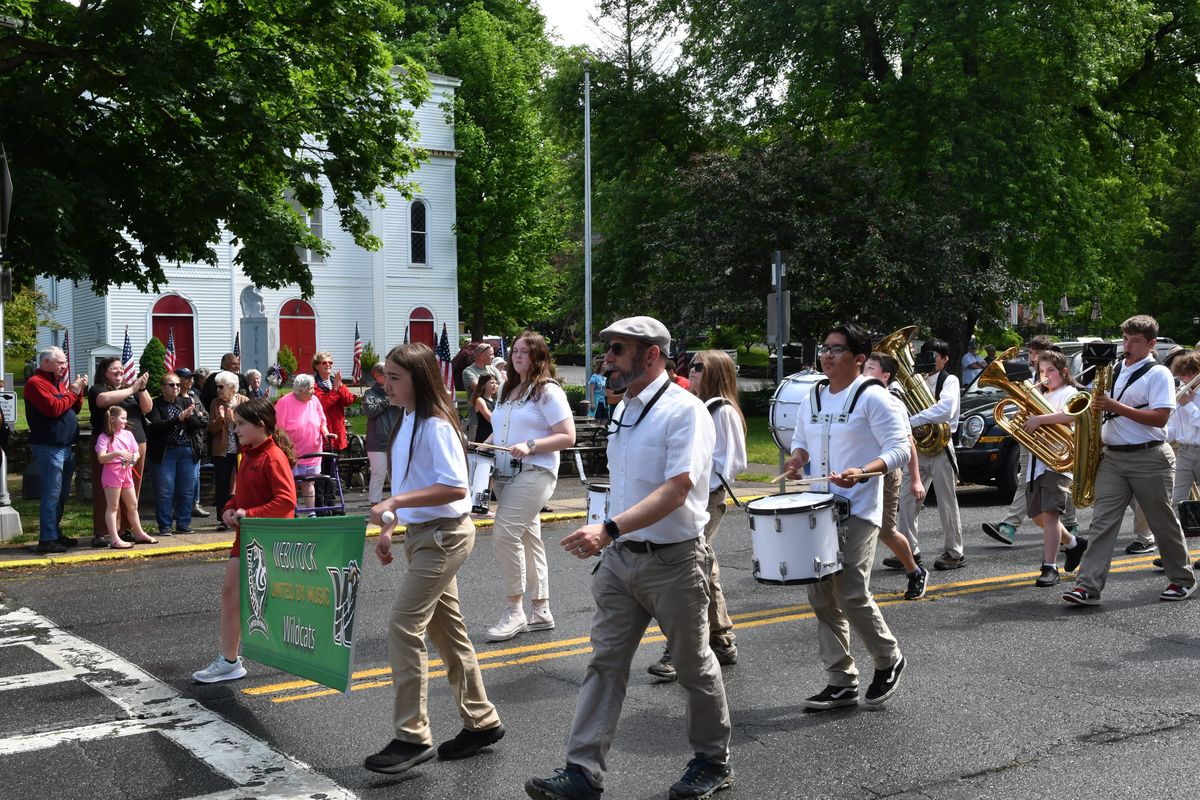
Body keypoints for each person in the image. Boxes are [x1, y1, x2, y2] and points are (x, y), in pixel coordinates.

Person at [526, 316, 731, 800]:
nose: (607, 360)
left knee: (692, 665)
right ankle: (582, 771)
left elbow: (677, 489)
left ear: (651, 355)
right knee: (605, 663)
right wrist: (609, 532)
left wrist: (610, 527)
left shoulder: (686, 412)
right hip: (621, 560)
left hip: (675, 561)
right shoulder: (624, 410)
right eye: (609, 350)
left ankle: (712, 760)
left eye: (617, 350)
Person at [364, 342, 504, 774]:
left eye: (394, 378)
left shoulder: (436, 425)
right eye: (386, 376)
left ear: (418, 379)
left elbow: (455, 487)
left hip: (444, 536)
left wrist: (397, 501)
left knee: (404, 625)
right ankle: (481, 720)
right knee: (448, 635)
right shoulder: (407, 420)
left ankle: (412, 735)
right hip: (424, 535)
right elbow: (410, 483)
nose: (385, 385)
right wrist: (390, 526)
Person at [783, 323, 911, 712]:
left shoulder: (875, 398)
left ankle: (888, 658)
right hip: (818, 507)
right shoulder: (814, 396)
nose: (826, 355)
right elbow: (802, 440)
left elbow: (900, 450)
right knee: (821, 595)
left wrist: (864, 470)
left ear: (859, 359)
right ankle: (840, 680)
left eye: (836, 349)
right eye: (825, 348)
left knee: (851, 591)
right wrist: (797, 458)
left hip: (858, 508)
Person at [1064, 315, 1197, 605]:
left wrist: (1115, 407)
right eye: (1125, 339)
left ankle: (1182, 579)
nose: (1127, 346)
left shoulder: (1158, 373)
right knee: (1101, 523)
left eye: (1134, 341)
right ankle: (1087, 586)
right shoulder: (1113, 368)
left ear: (1151, 344)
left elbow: (1161, 416)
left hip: (1149, 456)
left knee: (1162, 522)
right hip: (1113, 457)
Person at [648, 349, 746, 682]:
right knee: (705, 568)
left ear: (716, 372)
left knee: (688, 569)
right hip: (689, 497)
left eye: (699, 367)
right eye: (691, 365)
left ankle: (680, 650)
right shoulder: (695, 406)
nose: (692, 370)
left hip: (705, 499)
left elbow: (734, 462)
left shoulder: (722, 410)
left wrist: (698, 484)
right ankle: (721, 639)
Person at [192, 398, 297, 683]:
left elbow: (287, 500)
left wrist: (247, 512)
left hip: (268, 537)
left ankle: (240, 657)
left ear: (260, 426)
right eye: (235, 424)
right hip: (249, 535)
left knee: (266, 599)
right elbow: (244, 494)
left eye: (240, 425)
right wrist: (230, 506)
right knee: (231, 593)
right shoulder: (250, 454)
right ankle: (229, 660)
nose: (235, 430)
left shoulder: (273, 457)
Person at [481, 331, 575, 643]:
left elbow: (567, 436)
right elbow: (502, 432)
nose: (518, 356)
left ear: (538, 357)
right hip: (505, 472)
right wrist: (484, 447)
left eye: (525, 352)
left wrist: (532, 444)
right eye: (516, 351)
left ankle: (514, 610)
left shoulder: (546, 391)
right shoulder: (510, 390)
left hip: (536, 470)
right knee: (528, 537)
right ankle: (541, 609)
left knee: (504, 532)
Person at [982, 337, 1082, 545]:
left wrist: (1039, 418)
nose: (1032, 358)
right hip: (1035, 443)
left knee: (1057, 494)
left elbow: (1068, 414)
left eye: (1035, 353)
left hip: (1055, 448)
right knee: (1033, 497)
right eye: (1031, 353)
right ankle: (1070, 537)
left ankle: (1013, 528)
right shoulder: (1034, 380)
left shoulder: (1065, 389)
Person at [863, 352, 930, 600]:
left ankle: (914, 571)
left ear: (885, 376)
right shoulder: (857, 398)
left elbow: (908, 443)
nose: (864, 372)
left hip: (887, 474)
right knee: (859, 529)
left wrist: (915, 479)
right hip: (861, 475)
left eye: (870, 368)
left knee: (886, 530)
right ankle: (858, 588)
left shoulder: (892, 402)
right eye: (864, 367)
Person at [896, 338, 966, 570]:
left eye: (933, 355)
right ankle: (908, 551)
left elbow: (946, 409)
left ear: (944, 360)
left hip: (941, 447)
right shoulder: (914, 380)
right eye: (924, 354)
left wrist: (913, 419)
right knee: (906, 500)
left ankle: (955, 552)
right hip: (918, 447)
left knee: (946, 502)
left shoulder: (950, 380)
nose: (928, 359)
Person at [1020, 351, 1088, 586]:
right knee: (1036, 515)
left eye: (1050, 370)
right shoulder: (1038, 393)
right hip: (1037, 463)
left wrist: (1039, 420)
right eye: (1041, 371)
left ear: (1064, 372)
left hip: (1058, 461)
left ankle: (1050, 567)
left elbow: (1071, 414)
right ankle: (1073, 544)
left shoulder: (1069, 392)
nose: (1045, 375)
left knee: (1050, 515)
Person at [24, 347, 86, 553]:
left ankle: (55, 533)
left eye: (64, 362)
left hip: (66, 447)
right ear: (46, 363)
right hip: (49, 447)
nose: (64, 366)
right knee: (51, 494)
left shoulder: (58, 384)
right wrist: (73, 392)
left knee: (62, 495)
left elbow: (73, 408)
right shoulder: (35, 384)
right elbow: (54, 409)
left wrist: (77, 392)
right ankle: (47, 539)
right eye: (60, 362)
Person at [88, 358, 152, 548]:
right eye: (113, 368)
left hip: (135, 443)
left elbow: (147, 408)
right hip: (111, 447)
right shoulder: (98, 389)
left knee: (131, 490)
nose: (119, 371)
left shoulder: (130, 389)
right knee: (105, 491)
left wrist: (140, 389)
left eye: (121, 368)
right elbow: (103, 401)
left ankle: (126, 529)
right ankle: (102, 531)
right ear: (104, 371)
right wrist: (132, 389)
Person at [145, 372, 208, 535]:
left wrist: (189, 417)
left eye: (178, 385)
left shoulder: (185, 401)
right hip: (165, 453)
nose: (175, 388)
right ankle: (165, 526)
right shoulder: (155, 404)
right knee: (165, 490)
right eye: (171, 385)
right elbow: (154, 427)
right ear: (162, 387)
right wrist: (178, 419)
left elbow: (199, 424)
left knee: (187, 490)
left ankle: (183, 524)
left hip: (187, 450)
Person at [95, 407, 157, 548]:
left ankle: (140, 533)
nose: (125, 421)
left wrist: (132, 460)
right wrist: (118, 453)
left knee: (133, 505)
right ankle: (114, 538)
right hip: (112, 473)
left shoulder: (128, 434)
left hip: (126, 471)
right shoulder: (104, 437)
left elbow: (136, 452)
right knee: (113, 506)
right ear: (112, 419)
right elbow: (101, 458)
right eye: (122, 418)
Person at [274, 373, 331, 514]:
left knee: (309, 482)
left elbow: (322, 422)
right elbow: (277, 428)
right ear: (300, 390)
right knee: (291, 483)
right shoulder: (284, 402)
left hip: (313, 452)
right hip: (293, 454)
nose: (314, 391)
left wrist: (326, 433)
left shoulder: (315, 401)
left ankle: (311, 512)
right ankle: (291, 512)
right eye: (311, 389)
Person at [312, 351, 357, 512]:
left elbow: (349, 400)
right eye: (324, 363)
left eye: (330, 362)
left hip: (336, 434)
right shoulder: (314, 385)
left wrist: (340, 387)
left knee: (333, 473)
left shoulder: (334, 383)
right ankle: (320, 506)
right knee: (321, 473)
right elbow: (321, 406)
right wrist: (336, 389)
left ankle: (332, 504)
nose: (328, 365)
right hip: (321, 436)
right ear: (317, 366)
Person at [208, 371, 244, 531]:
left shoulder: (244, 401)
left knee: (243, 483)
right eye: (217, 387)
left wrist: (233, 420)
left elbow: (249, 425)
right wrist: (221, 419)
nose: (218, 390)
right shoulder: (215, 403)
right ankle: (223, 519)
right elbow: (212, 429)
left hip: (241, 450)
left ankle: (242, 515)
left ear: (232, 387)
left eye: (221, 387)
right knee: (222, 485)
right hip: (222, 450)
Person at [362, 362, 401, 505]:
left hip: (395, 439)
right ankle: (374, 505)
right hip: (377, 441)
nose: (389, 378)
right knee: (378, 474)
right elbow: (370, 411)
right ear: (377, 376)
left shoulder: (396, 391)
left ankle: (398, 504)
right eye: (386, 375)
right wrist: (387, 401)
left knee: (396, 474)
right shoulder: (369, 393)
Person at [175, 368, 210, 519]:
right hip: (182, 442)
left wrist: (197, 417)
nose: (190, 381)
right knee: (180, 477)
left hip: (197, 441)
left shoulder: (193, 395)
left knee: (196, 475)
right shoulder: (175, 397)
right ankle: (179, 508)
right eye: (186, 378)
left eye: (191, 378)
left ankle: (195, 504)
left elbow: (206, 417)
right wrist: (196, 417)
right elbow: (187, 421)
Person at [1169, 352, 1200, 514]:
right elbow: (1174, 427)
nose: (1184, 379)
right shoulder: (1182, 394)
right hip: (1185, 452)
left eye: (1189, 374)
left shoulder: (1186, 399)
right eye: (1182, 375)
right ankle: (1178, 537)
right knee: (1177, 500)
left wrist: (1187, 404)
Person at [467, 373, 498, 444]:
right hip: (484, 437)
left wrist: (493, 414)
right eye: (492, 383)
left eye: (496, 383)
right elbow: (490, 419)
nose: (495, 385)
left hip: (495, 436)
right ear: (483, 385)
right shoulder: (480, 400)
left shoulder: (496, 400)